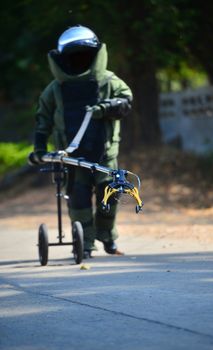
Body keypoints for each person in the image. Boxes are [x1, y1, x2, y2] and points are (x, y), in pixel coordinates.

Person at [30, 25, 133, 258]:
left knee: (110, 194)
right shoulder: (56, 88)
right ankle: (85, 244)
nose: (79, 59)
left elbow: (126, 100)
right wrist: (39, 147)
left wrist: (106, 108)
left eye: (84, 54)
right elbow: (43, 118)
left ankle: (107, 238)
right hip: (72, 156)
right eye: (74, 55)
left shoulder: (109, 81)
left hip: (104, 153)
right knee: (78, 199)